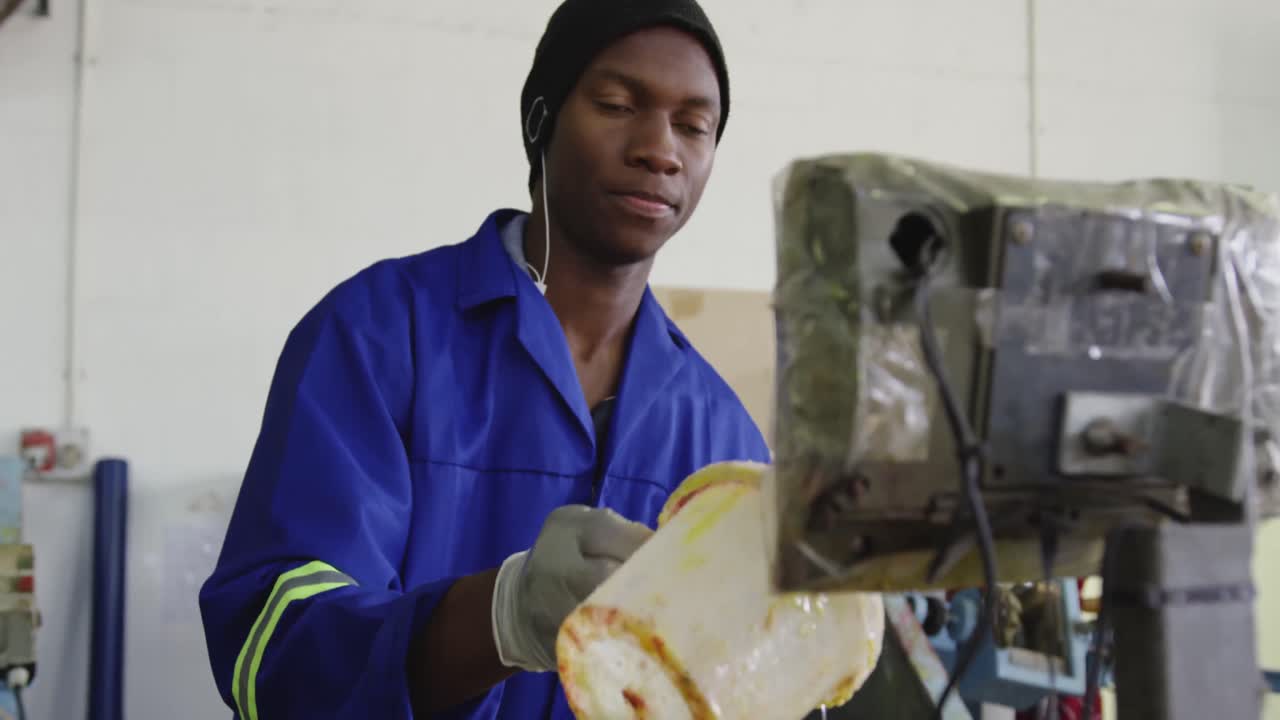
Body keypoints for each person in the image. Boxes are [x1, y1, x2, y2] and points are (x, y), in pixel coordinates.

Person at [198, 0, 769, 717]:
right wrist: (498, 617)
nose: (661, 149)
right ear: (541, 120)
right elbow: (269, 649)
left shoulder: (723, 440)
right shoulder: (378, 337)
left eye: (694, 126)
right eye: (619, 104)